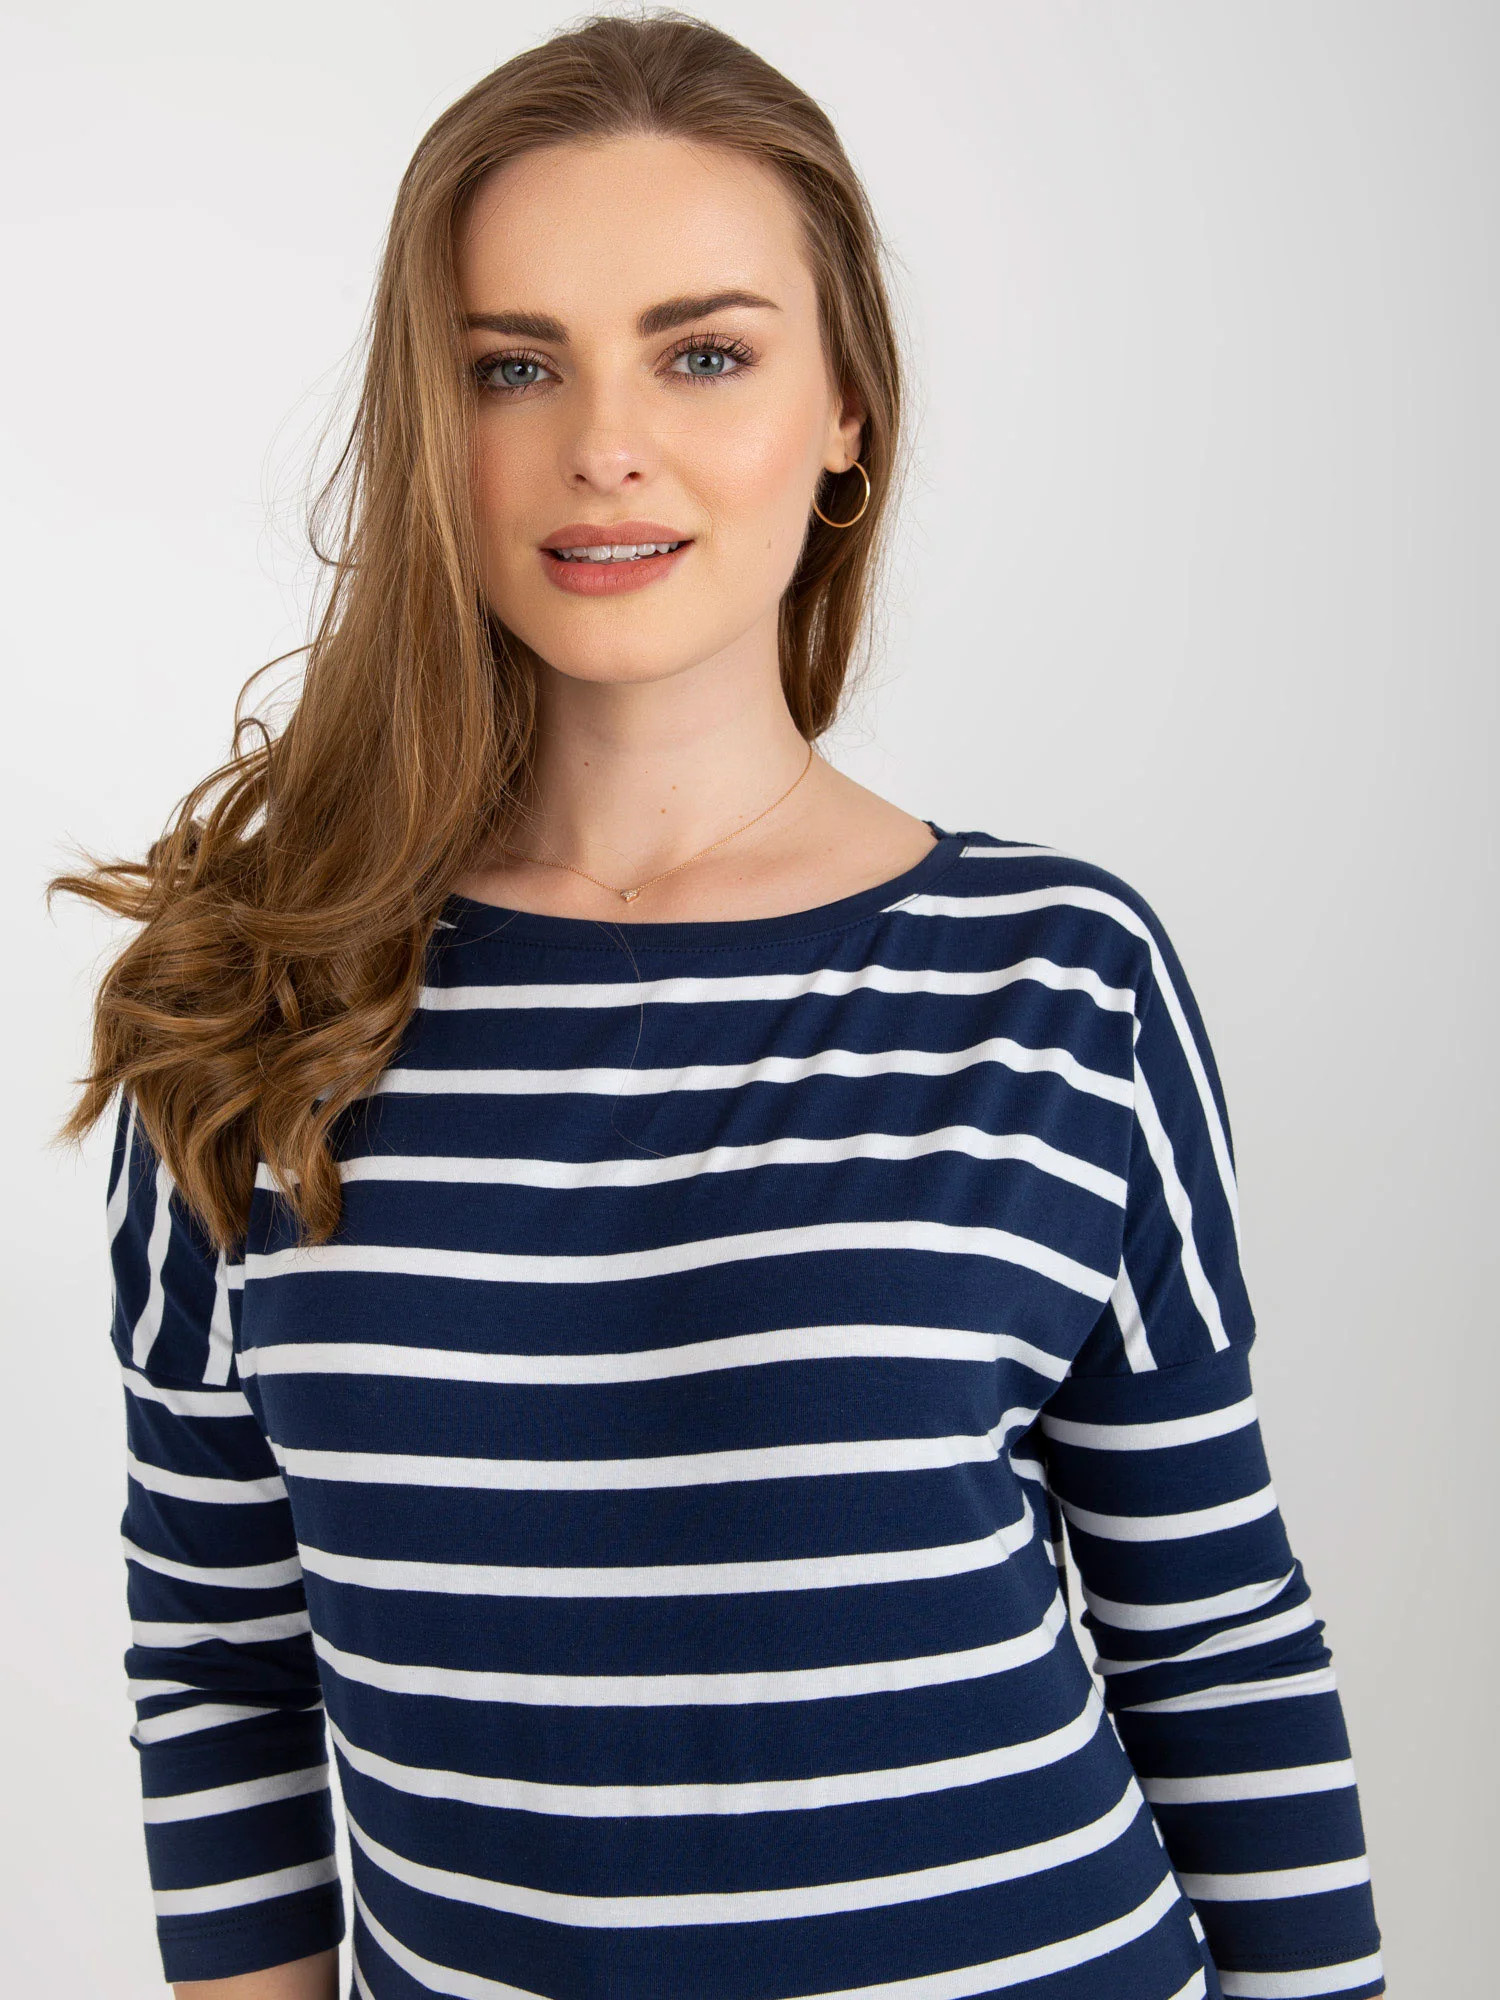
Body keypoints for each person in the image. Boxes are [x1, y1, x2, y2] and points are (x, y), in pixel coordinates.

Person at [54, 13, 1385, 1999]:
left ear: (846, 409)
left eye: (705, 353)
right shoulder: (257, 1000)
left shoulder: (1059, 975)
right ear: (430, 424)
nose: (606, 442)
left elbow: (1215, 1641)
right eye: (513, 366)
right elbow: (224, 1666)